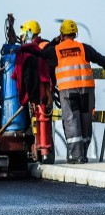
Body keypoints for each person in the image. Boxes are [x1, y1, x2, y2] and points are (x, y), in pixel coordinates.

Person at [35, 19, 105, 164]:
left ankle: (76, 156)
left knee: (72, 120)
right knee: (86, 119)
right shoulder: (84, 48)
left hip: (68, 90)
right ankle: (83, 153)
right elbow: (100, 59)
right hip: (87, 89)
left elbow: (42, 54)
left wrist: (55, 41)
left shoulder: (56, 50)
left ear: (61, 34)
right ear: (75, 33)